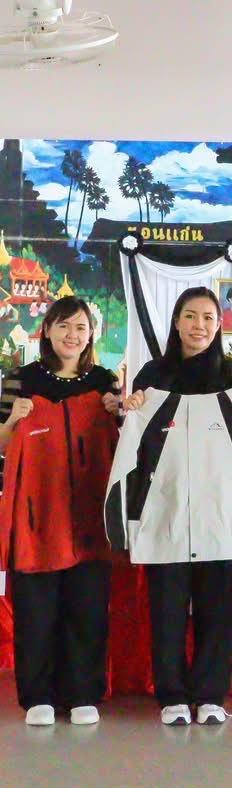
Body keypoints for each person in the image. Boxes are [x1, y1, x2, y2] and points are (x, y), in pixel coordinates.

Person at [124, 287, 232, 726]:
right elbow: (137, 442)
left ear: (219, 324)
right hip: (165, 507)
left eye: (208, 317)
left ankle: (209, 696)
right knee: (167, 608)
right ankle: (171, 696)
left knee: (216, 610)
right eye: (190, 316)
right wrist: (131, 406)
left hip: (218, 512)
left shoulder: (231, 373)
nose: (198, 325)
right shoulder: (154, 374)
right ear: (176, 321)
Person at [0, 298, 121, 727]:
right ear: (47, 329)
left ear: (91, 335)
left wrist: (120, 413)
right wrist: (12, 422)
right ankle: (38, 696)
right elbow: (2, 445)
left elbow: (123, 444)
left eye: (81, 327)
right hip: (38, 518)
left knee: (87, 608)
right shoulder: (21, 380)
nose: (73, 335)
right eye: (64, 325)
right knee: (36, 610)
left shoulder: (105, 382)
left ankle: (83, 692)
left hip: (90, 515)